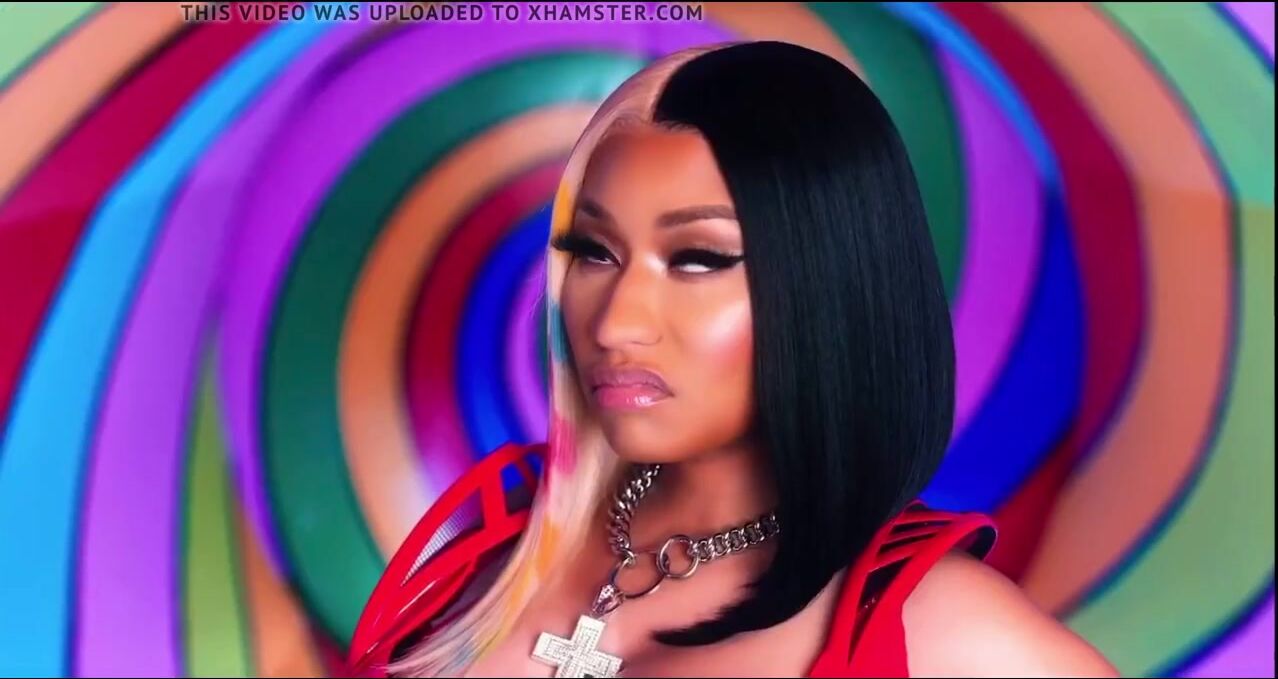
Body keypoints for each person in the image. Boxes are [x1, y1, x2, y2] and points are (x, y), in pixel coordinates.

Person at [346, 40, 1119, 678]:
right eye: (594, 250)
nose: (616, 323)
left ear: (832, 286)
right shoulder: (496, 552)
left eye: (698, 258)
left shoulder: (946, 633)